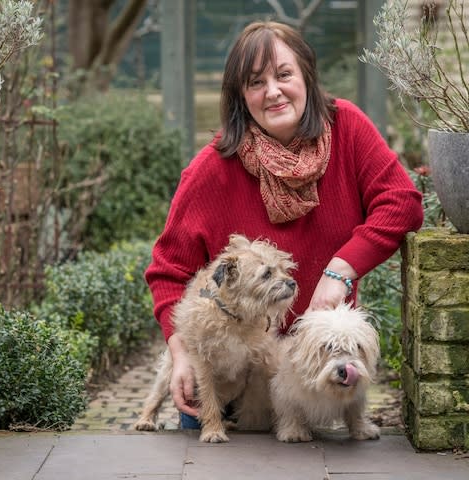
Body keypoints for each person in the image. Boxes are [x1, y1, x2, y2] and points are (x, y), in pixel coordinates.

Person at [145, 21, 424, 428]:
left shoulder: (347, 129)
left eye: (284, 74)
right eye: (255, 82)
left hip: (319, 375)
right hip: (232, 387)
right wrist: (181, 352)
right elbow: (168, 271)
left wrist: (340, 269)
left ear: (307, 76)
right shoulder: (211, 170)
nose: (272, 91)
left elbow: (402, 203)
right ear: (241, 96)